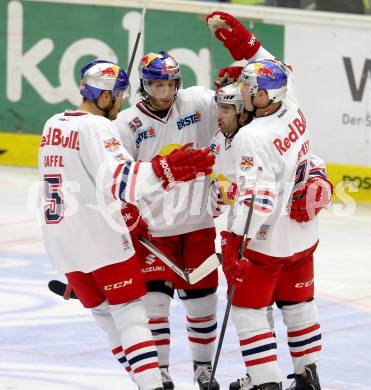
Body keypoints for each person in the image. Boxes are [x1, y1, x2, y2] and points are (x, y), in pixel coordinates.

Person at [38, 59, 214, 390]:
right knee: (133, 319)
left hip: (61, 245)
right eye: (118, 95)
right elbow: (123, 181)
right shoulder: (99, 128)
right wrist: (166, 169)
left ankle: (145, 381)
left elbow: (79, 181)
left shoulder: (52, 124)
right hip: (100, 243)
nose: (121, 101)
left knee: (108, 322)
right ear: (104, 97)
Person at [206, 11, 333, 390]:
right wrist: (241, 42)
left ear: (264, 96)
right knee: (299, 306)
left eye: (248, 88)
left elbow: (255, 202)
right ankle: (308, 376)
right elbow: (271, 64)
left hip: (266, 242)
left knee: (247, 310)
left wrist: (237, 249)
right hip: (302, 236)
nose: (242, 91)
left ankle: (265, 382)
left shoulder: (253, 136)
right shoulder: (291, 101)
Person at [113, 51, 221, 390]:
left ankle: (203, 368)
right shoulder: (127, 123)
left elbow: (237, 115)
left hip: (197, 221)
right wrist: (126, 212)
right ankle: (159, 369)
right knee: (155, 303)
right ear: (145, 86)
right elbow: (116, 173)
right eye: (158, 84)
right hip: (153, 228)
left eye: (171, 83)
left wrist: (237, 88)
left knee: (203, 300)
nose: (165, 92)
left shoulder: (199, 102)